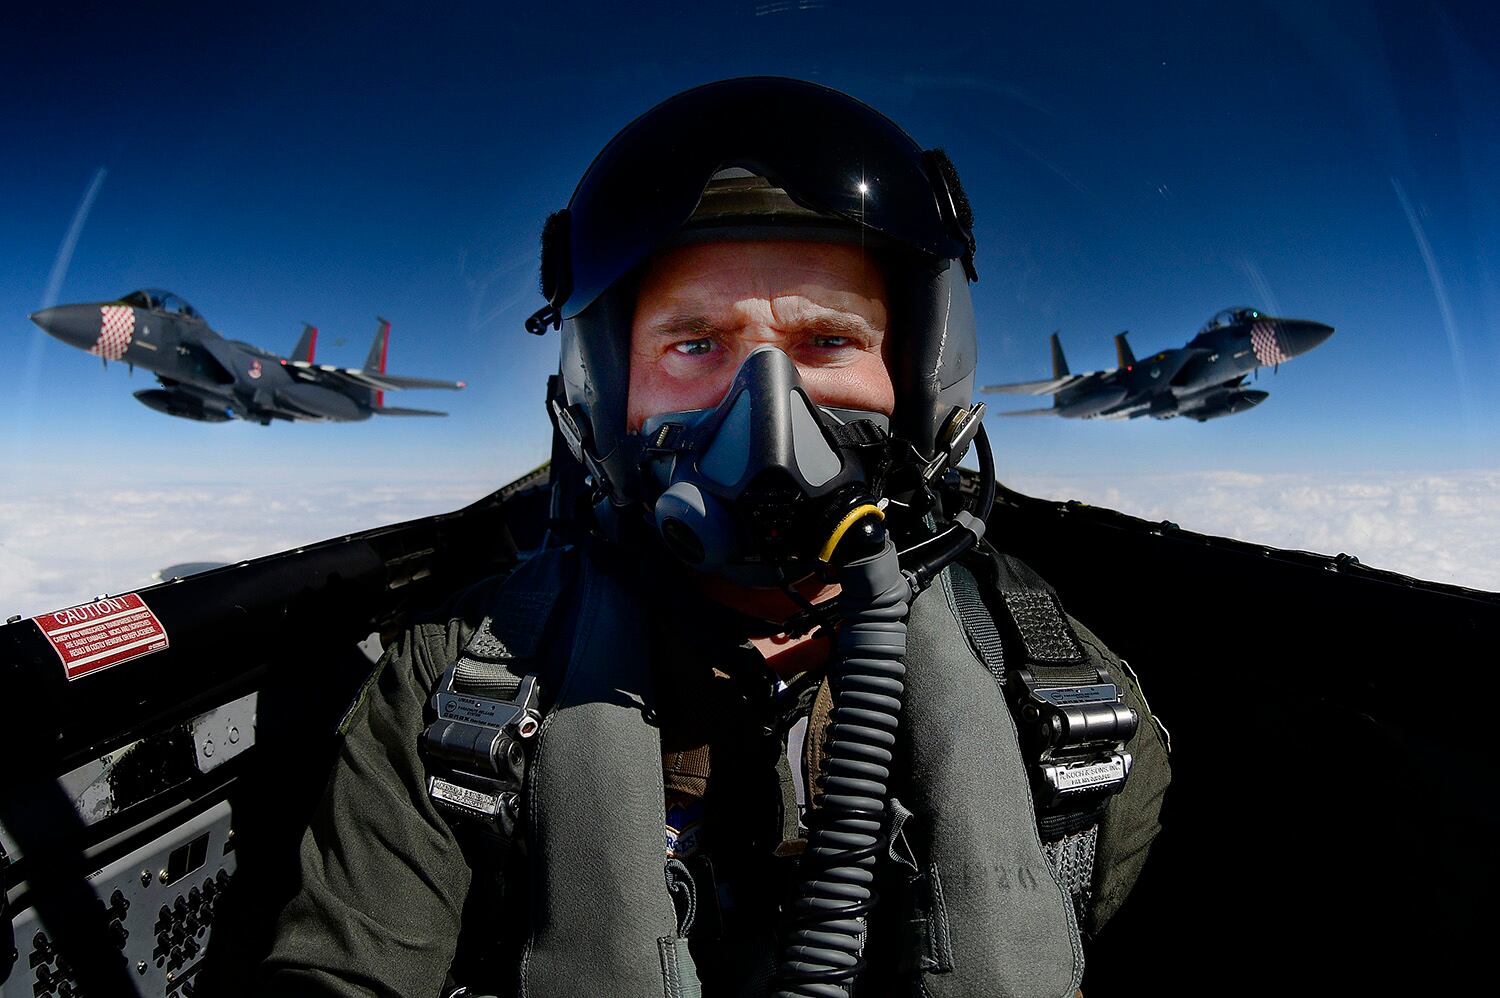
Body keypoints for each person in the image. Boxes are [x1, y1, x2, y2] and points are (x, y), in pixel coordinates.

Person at [260, 77, 1170, 998]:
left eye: (825, 342)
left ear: (915, 380)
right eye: (694, 346)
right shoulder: (459, 687)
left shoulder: (1064, 712)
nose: (769, 411)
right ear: (609, 391)